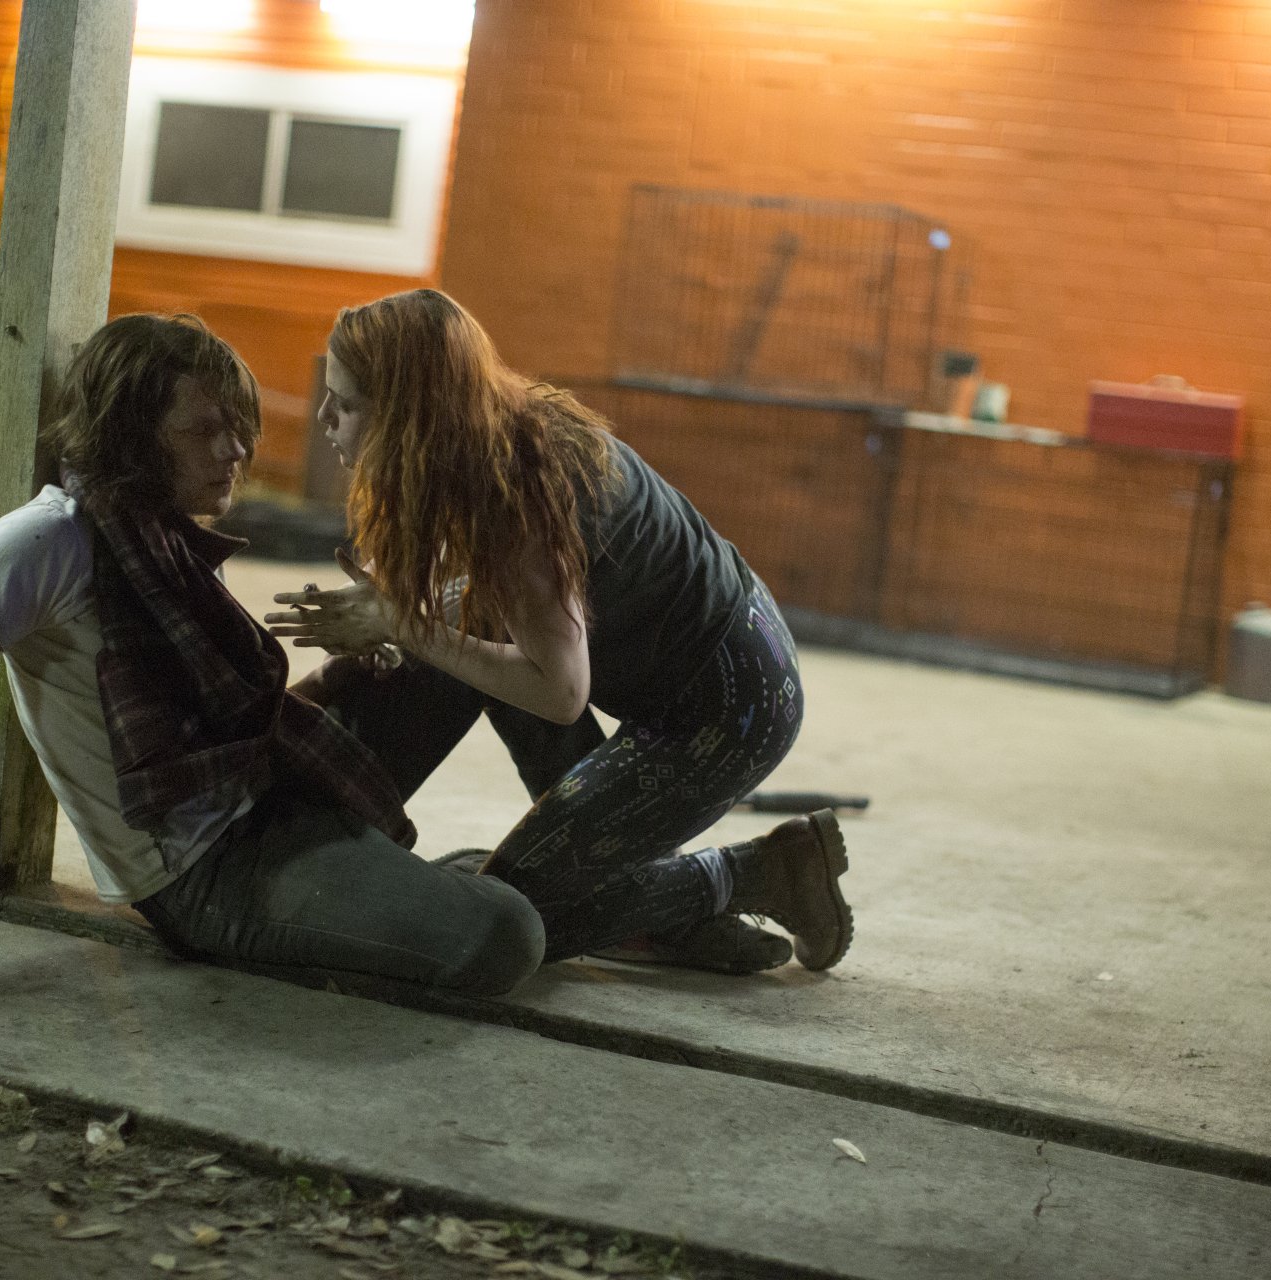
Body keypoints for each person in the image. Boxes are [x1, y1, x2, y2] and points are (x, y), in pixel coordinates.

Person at [0, 313, 545, 1003]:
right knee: (509, 933)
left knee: (470, 628)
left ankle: (516, 862)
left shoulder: (167, 534)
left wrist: (360, 661)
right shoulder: (44, 543)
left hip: (268, 782)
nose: (236, 452)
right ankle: (428, 892)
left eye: (236, 428)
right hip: (207, 870)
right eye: (203, 432)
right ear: (132, 439)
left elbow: (225, 724)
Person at [264, 288, 852, 975]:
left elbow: (559, 693)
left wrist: (399, 623)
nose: (324, 416)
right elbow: (471, 607)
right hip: (698, 656)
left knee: (507, 912)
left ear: (408, 417)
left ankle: (761, 871)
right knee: (458, 647)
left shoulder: (513, 496)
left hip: (729, 707)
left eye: (347, 402)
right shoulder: (475, 437)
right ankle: (669, 917)